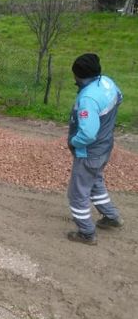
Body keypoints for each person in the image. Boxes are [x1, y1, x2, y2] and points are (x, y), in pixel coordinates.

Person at [67, 53, 124, 245]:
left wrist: (74, 142)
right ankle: (111, 217)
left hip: (89, 151)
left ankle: (86, 233)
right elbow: (120, 98)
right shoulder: (107, 83)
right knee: (94, 181)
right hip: (105, 145)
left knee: (77, 192)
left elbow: (88, 133)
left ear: (79, 75)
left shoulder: (88, 99)